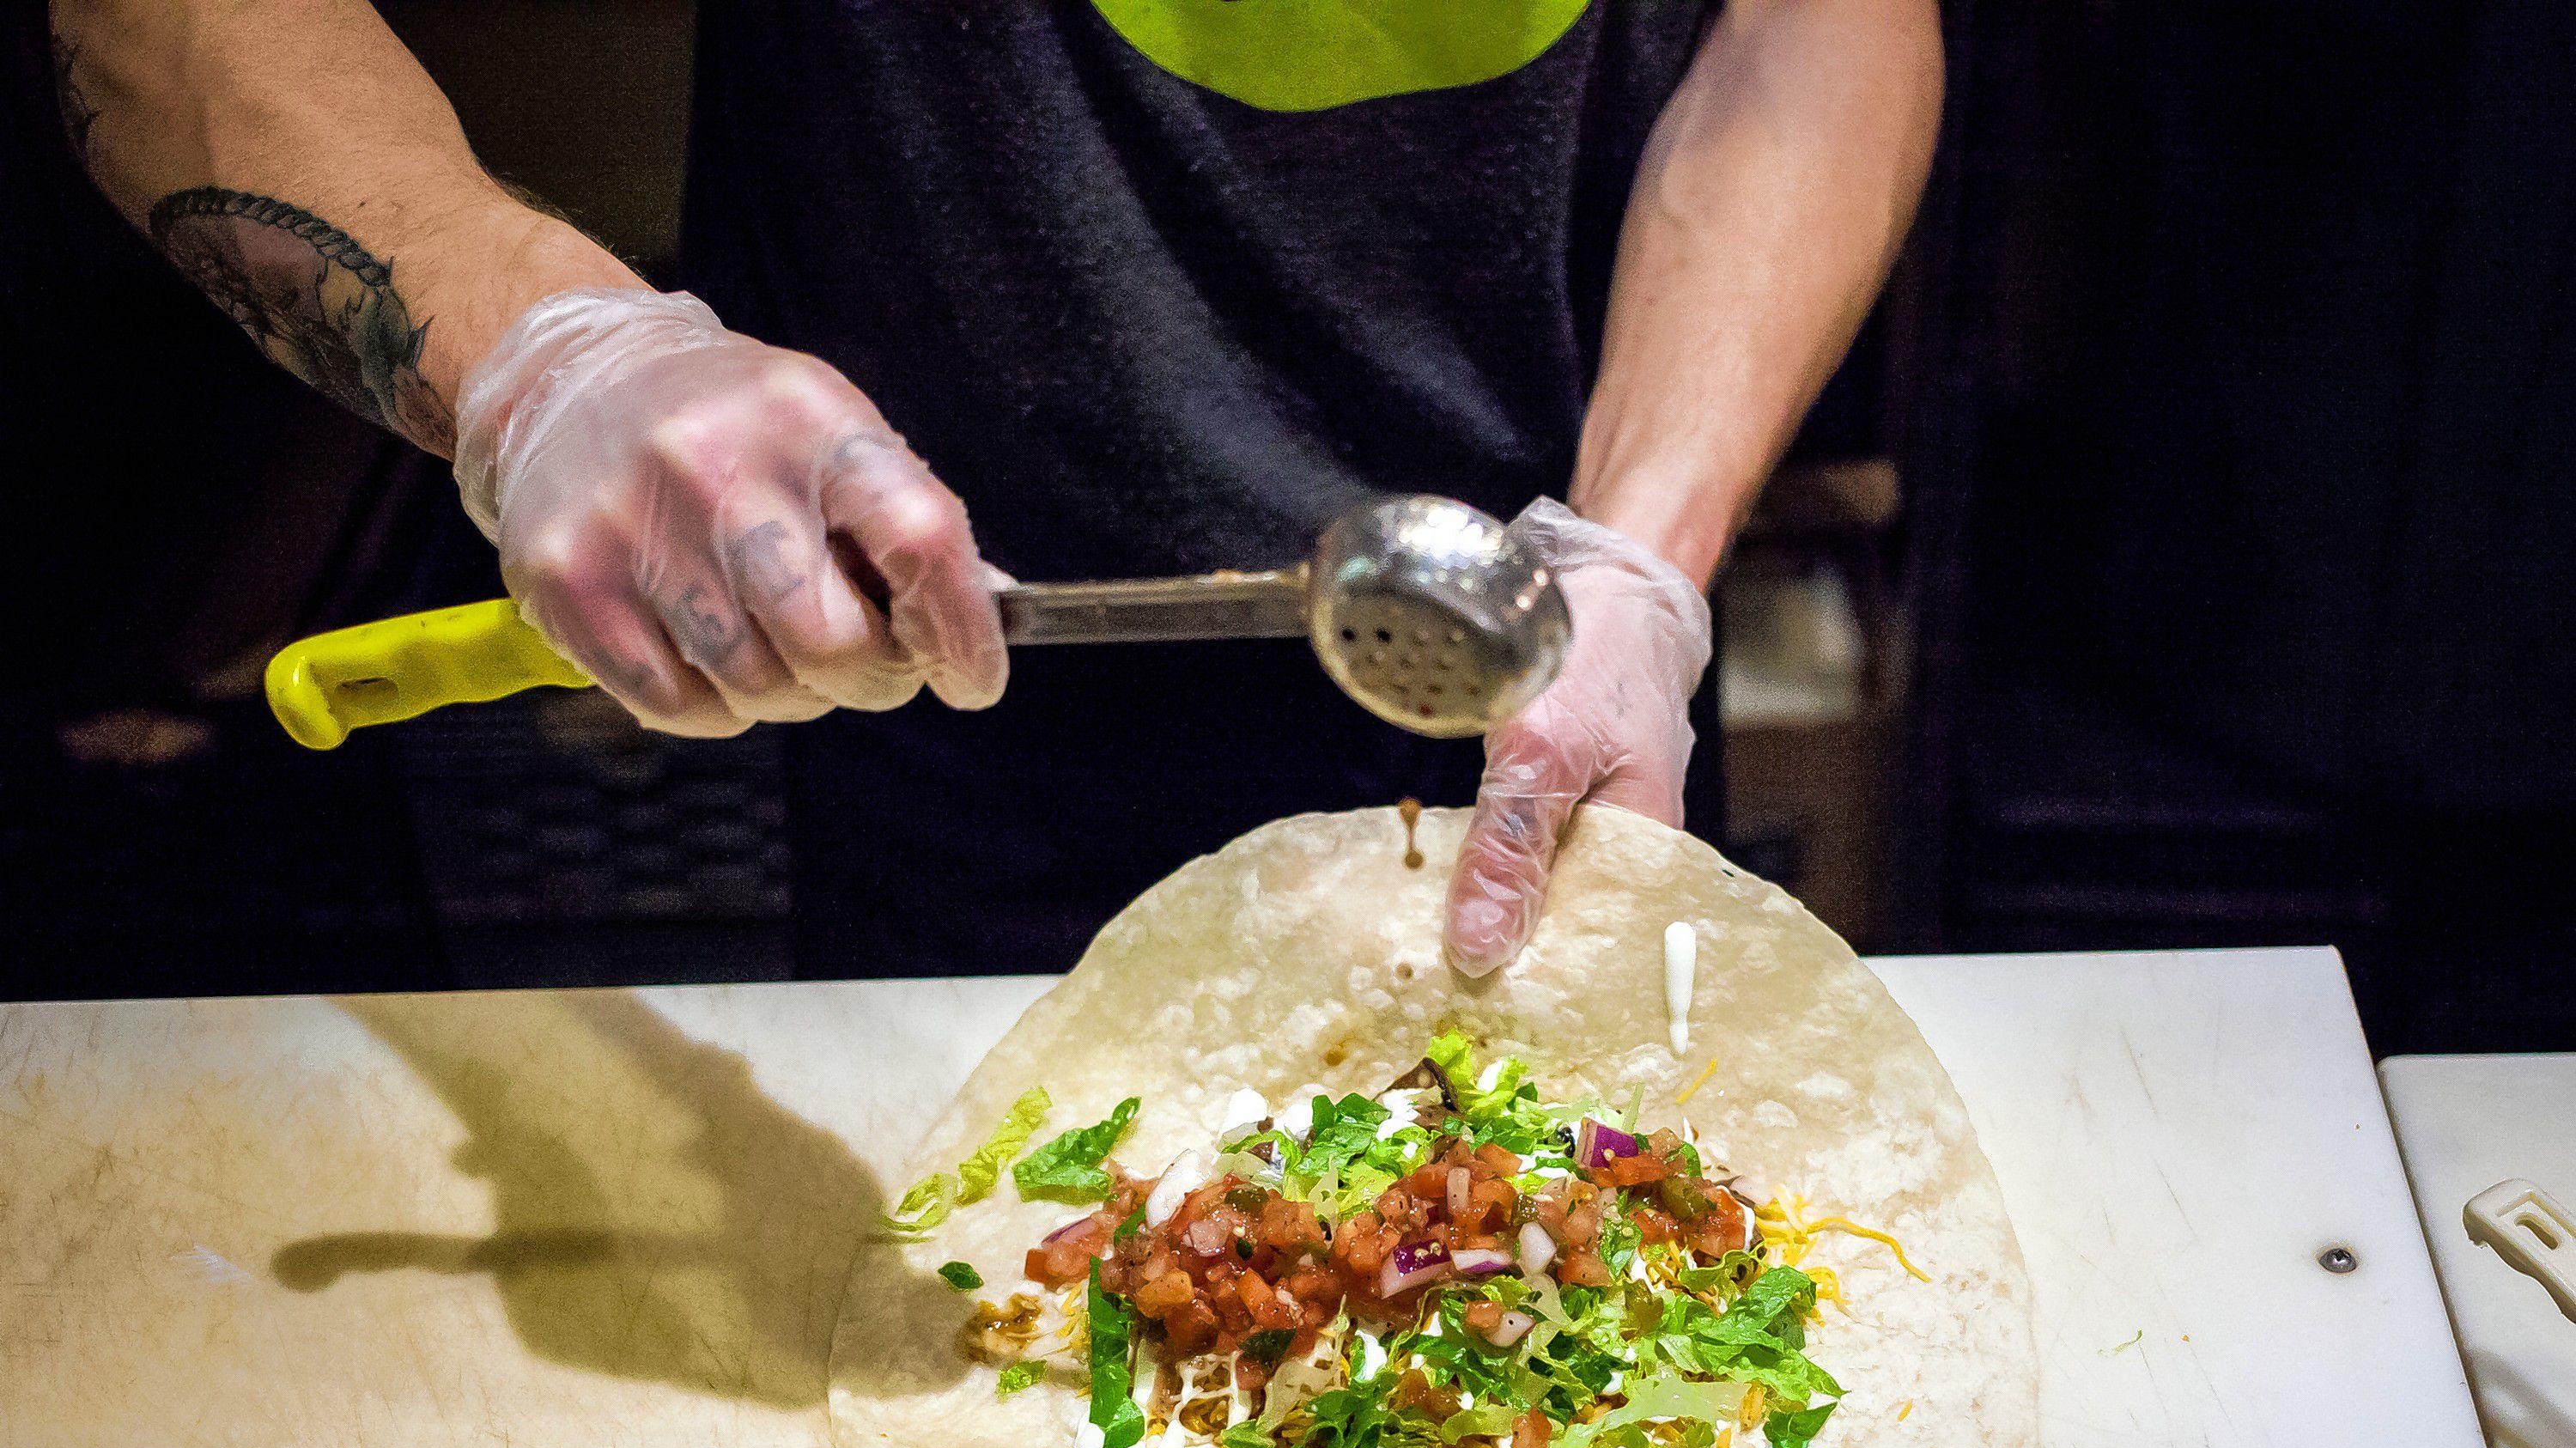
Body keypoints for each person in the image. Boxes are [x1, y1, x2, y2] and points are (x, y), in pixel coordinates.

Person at [47, 1, 1940, 979]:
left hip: (1551, 681)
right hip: (928, 672)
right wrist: (540, 353)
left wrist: (1646, 554)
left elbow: (1814, 25)